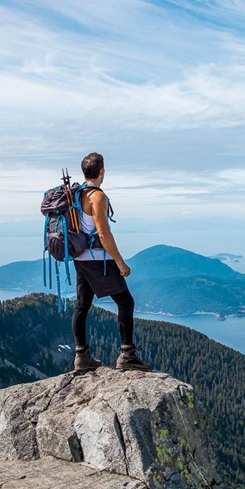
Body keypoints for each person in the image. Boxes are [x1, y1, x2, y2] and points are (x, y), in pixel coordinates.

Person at [71, 152, 151, 374]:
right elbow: (103, 234)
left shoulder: (76, 195)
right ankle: (127, 355)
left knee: (82, 305)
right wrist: (120, 262)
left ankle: (81, 356)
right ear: (102, 172)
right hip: (98, 260)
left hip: (80, 258)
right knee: (126, 302)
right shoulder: (97, 196)